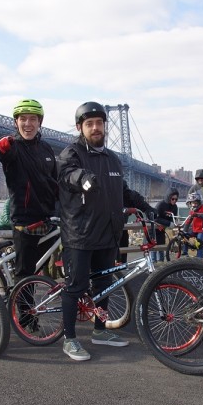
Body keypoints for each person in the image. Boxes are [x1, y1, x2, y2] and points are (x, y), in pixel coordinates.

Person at [57, 101, 148, 361]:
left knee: (103, 287)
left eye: (99, 123)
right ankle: (70, 338)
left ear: (105, 126)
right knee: (75, 287)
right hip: (80, 234)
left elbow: (124, 192)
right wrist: (83, 179)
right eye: (89, 124)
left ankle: (100, 329)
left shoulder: (113, 159)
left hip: (108, 234)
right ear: (80, 127)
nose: (95, 128)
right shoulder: (71, 153)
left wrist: (147, 208)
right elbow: (68, 175)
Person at [0, 99, 58, 330]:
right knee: (26, 275)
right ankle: (27, 320)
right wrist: (1, 147)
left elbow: (55, 182)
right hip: (24, 220)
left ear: (40, 123)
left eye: (33, 119)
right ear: (16, 122)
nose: (28, 124)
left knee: (37, 269)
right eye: (23, 119)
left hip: (48, 219)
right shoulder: (13, 147)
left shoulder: (47, 149)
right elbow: (2, 153)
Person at [151, 189, 179, 262]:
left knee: (161, 247)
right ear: (169, 197)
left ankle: (161, 262)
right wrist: (168, 223)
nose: (174, 201)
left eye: (176, 199)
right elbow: (155, 218)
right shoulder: (161, 205)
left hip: (162, 229)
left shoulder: (175, 207)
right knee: (153, 248)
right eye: (173, 199)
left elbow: (173, 218)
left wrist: (171, 223)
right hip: (153, 229)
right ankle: (153, 263)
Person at [181, 192, 203, 258]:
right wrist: (184, 231)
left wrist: (198, 214)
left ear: (199, 203)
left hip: (202, 230)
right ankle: (185, 252)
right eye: (192, 203)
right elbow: (188, 221)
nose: (194, 205)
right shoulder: (192, 210)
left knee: (199, 241)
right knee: (186, 236)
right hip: (194, 229)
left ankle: (200, 257)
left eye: (195, 203)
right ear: (190, 203)